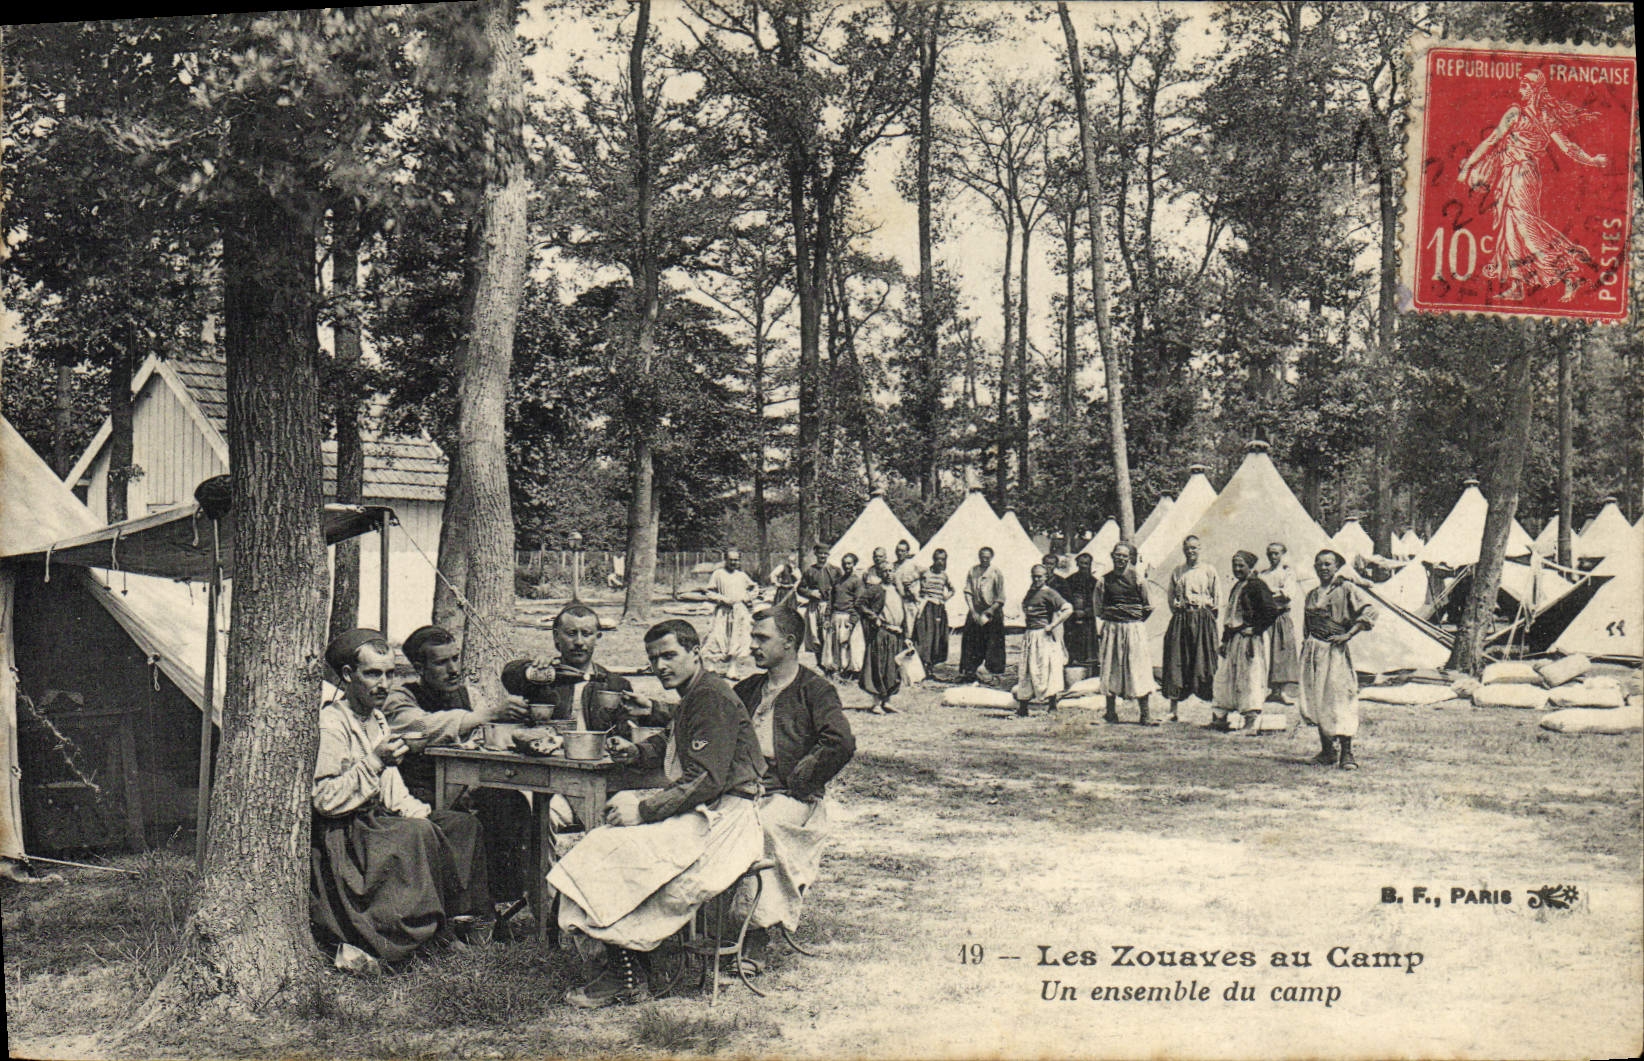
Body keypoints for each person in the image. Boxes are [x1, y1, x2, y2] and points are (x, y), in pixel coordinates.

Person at [548, 620, 763, 1008]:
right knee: (608, 845)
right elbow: (681, 741)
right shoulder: (697, 693)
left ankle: (625, 973)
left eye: (669, 655)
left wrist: (645, 810)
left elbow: (706, 779)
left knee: (610, 847)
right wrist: (640, 752)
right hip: (709, 812)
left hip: (726, 820)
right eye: (653, 659)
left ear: (695, 651)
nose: (660, 665)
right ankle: (629, 967)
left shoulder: (711, 696)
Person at [310, 629, 492, 962]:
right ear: (348, 676)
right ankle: (423, 936)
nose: (383, 684)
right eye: (372, 674)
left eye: (390, 674)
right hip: (346, 831)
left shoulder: (376, 718)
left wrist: (417, 811)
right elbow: (324, 798)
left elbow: (392, 787)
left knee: (459, 825)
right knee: (417, 832)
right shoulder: (332, 723)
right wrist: (376, 761)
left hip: (377, 819)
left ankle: (464, 922)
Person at [732, 609, 855, 957]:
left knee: (763, 832)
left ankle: (754, 936)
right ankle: (705, 923)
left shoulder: (815, 691)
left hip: (790, 798)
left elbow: (840, 742)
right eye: (753, 637)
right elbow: (711, 717)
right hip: (744, 790)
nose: (752, 646)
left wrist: (801, 780)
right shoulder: (749, 688)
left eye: (762, 638)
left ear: (788, 643)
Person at [385, 625, 531, 912]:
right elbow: (423, 726)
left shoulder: (468, 695)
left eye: (455, 658)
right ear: (419, 667)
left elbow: (485, 737)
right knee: (463, 821)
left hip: (466, 788)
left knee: (510, 803)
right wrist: (485, 716)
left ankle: (503, 901)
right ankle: (462, 910)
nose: (453, 669)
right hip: (417, 793)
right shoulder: (400, 698)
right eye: (441, 662)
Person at [1457, 68, 1610, 303]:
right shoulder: (1536, 116)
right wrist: (1591, 159)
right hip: (1512, 175)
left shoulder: (1524, 115)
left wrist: (1468, 167)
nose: (1521, 90)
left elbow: (1566, 147)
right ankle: (1518, 285)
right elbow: (1494, 140)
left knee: (1526, 229)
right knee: (1510, 230)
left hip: (1522, 174)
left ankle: (1568, 275)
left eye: (1526, 86)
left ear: (1536, 89)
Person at [498, 604, 634, 732]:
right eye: (571, 633)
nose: (579, 642)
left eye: (586, 634)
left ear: (597, 637)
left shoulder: (615, 685)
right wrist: (529, 667)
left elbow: (627, 732)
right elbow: (509, 675)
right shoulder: (543, 679)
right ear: (556, 636)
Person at [1299, 550, 1377, 771]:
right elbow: (1307, 624)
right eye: (1319, 564)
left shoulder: (1346, 589)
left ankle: (1347, 753)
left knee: (1339, 698)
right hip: (1314, 651)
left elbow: (1370, 611)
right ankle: (1326, 751)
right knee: (1317, 699)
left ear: (1337, 567)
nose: (1323, 568)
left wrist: (1348, 634)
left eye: (1328, 564)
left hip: (1335, 652)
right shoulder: (1312, 594)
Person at [1211, 551, 1283, 735]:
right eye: (1234, 565)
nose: (1237, 569)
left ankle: (1250, 722)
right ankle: (1221, 717)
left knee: (1250, 678)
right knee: (1226, 676)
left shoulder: (1257, 585)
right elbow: (1231, 616)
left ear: (1250, 567)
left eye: (1241, 566)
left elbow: (1271, 610)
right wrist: (1225, 641)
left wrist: (1255, 629)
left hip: (1250, 640)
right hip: (1235, 639)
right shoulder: (1238, 586)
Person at [1098, 542, 1158, 725]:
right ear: (1112, 555)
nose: (1121, 559)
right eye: (1117, 555)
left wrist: (1134, 619)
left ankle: (1145, 714)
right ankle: (1110, 712)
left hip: (1133, 628)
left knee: (1138, 667)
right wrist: (1115, 616)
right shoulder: (1104, 580)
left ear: (1130, 558)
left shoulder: (1139, 579)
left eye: (1124, 556)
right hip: (1113, 627)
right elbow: (1098, 608)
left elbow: (1149, 605)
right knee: (1111, 667)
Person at [1162, 535, 1221, 722]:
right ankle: (1173, 709)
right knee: (1176, 659)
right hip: (1182, 618)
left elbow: (1217, 597)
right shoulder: (1178, 571)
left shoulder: (1209, 570)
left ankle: (1217, 711)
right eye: (1187, 548)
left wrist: (1207, 615)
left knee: (1206, 662)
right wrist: (1180, 610)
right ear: (1183, 549)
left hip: (1203, 617)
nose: (1191, 552)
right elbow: (1171, 597)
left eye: (1194, 548)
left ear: (1200, 548)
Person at [1012, 565, 1072, 717]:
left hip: (1043, 636)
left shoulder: (1050, 593)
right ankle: (1023, 707)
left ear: (1046, 577)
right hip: (1030, 635)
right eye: (1034, 576)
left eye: (1040, 576)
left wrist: (1052, 625)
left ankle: (1052, 705)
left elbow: (1068, 609)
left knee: (1046, 668)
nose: (1037, 579)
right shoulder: (1031, 592)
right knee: (1026, 669)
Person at [856, 568, 912, 714]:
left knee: (892, 668)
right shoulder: (876, 589)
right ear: (882, 574)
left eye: (892, 570)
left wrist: (906, 636)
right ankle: (876, 704)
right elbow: (860, 603)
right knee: (878, 666)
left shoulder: (898, 590)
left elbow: (903, 613)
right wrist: (873, 617)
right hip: (881, 633)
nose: (889, 573)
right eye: (886, 571)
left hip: (895, 634)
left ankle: (887, 702)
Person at [703, 549, 761, 680]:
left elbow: (755, 588)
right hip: (723, 611)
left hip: (739, 611)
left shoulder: (742, 575)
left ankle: (732, 668)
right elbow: (709, 592)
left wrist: (747, 597)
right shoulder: (718, 574)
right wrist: (723, 599)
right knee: (717, 636)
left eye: (736, 560)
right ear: (726, 560)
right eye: (731, 560)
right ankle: (711, 667)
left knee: (737, 638)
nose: (734, 562)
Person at [1259, 542, 1301, 704]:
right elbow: (1259, 596)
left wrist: (1269, 595)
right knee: (1268, 652)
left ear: (1282, 555)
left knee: (1283, 651)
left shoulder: (1287, 573)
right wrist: (1273, 594)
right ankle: (1272, 690)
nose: (1273, 556)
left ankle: (1282, 691)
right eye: (1270, 553)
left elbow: (1288, 594)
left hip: (1281, 616)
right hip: (1266, 618)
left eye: (1276, 553)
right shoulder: (1263, 575)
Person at [959, 546, 1007, 684]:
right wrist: (973, 611)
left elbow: (1001, 597)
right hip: (976, 609)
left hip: (992, 611)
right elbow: (968, 591)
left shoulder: (996, 572)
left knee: (993, 643)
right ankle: (970, 672)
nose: (984, 559)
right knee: (971, 642)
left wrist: (991, 610)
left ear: (991, 557)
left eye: (987, 557)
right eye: (982, 557)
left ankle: (994, 673)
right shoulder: (973, 571)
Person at [912, 548, 956, 671]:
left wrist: (944, 598)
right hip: (927, 607)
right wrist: (918, 598)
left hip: (939, 608)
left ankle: (931, 665)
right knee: (926, 636)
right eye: (938, 559)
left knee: (938, 637)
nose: (940, 562)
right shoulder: (925, 573)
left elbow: (953, 590)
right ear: (933, 559)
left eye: (943, 559)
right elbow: (910, 582)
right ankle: (923, 665)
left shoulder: (944, 576)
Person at [796, 545, 838, 663]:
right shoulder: (810, 571)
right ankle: (819, 662)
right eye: (820, 554)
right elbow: (800, 588)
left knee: (829, 634)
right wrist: (810, 593)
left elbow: (841, 587)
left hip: (829, 605)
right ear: (816, 555)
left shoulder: (835, 570)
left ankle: (831, 663)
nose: (823, 556)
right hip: (815, 606)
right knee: (816, 635)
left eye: (825, 554)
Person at [825, 553, 863, 680]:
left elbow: (858, 603)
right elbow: (831, 601)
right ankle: (836, 669)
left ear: (854, 564)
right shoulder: (837, 581)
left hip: (848, 617)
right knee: (835, 644)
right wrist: (827, 617)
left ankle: (849, 671)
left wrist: (852, 621)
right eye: (844, 563)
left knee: (846, 645)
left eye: (849, 563)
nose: (846, 566)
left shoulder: (856, 581)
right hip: (836, 616)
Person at [1059, 553, 1101, 666]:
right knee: (1071, 646)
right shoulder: (1069, 581)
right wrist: (1074, 611)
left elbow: (1098, 602)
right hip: (1072, 618)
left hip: (1088, 620)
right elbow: (1065, 599)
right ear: (1077, 564)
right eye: (1081, 563)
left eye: (1086, 564)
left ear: (1090, 565)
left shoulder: (1095, 583)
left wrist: (1086, 612)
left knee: (1088, 651)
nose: (1084, 566)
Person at [891, 539, 923, 611]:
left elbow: (925, 571)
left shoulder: (912, 564)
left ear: (907, 552)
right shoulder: (892, 566)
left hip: (910, 601)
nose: (900, 553)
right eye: (898, 550)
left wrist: (913, 577)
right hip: (897, 600)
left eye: (902, 551)